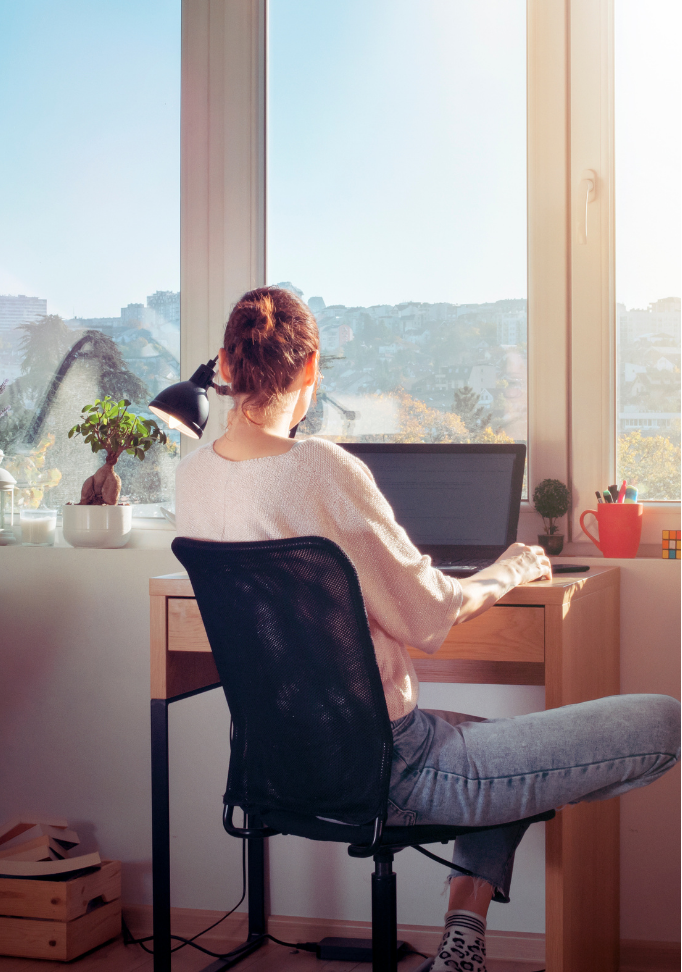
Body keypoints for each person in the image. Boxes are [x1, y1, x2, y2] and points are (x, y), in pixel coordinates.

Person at [175, 287, 680, 972]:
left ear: (227, 366)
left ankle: (461, 939)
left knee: (500, 749)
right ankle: (464, 933)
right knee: (665, 721)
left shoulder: (194, 479)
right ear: (312, 365)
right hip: (394, 769)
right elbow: (428, 615)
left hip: (282, 766)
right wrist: (508, 570)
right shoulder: (319, 467)